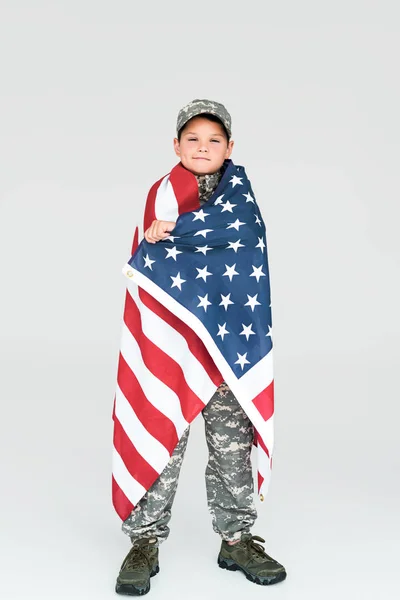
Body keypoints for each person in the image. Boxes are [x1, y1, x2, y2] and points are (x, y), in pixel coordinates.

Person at [115, 99, 287, 596]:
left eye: (214, 139)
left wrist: (184, 237)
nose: (203, 147)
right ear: (176, 146)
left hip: (228, 345)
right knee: (162, 438)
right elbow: (148, 259)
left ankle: (235, 538)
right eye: (193, 139)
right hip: (174, 340)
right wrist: (157, 238)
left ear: (230, 147)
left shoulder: (241, 195)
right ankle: (145, 541)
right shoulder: (163, 196)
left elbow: (245, 244)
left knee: (231, 446)